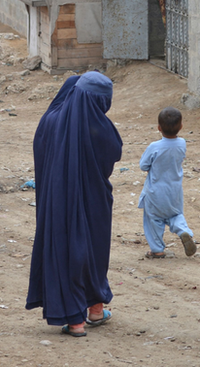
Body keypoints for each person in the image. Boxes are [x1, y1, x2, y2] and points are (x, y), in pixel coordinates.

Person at [26, 71, 123, 337]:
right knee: (94, 250)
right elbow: (112, 154)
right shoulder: (101, 128)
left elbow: (40, 150)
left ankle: (76, 320)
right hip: (94, 203)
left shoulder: (51, 120)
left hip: (58, 201)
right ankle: (94, 308)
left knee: (66, 249)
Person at [138, 106, 196, 259]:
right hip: (174, 191)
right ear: (181, 126)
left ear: (159, 127)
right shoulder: (182, 143)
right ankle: (184, 232)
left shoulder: (154, 147)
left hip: (155, 192)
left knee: (153, 220)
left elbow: (143, 165)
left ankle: (157, 250)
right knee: (176, 214)